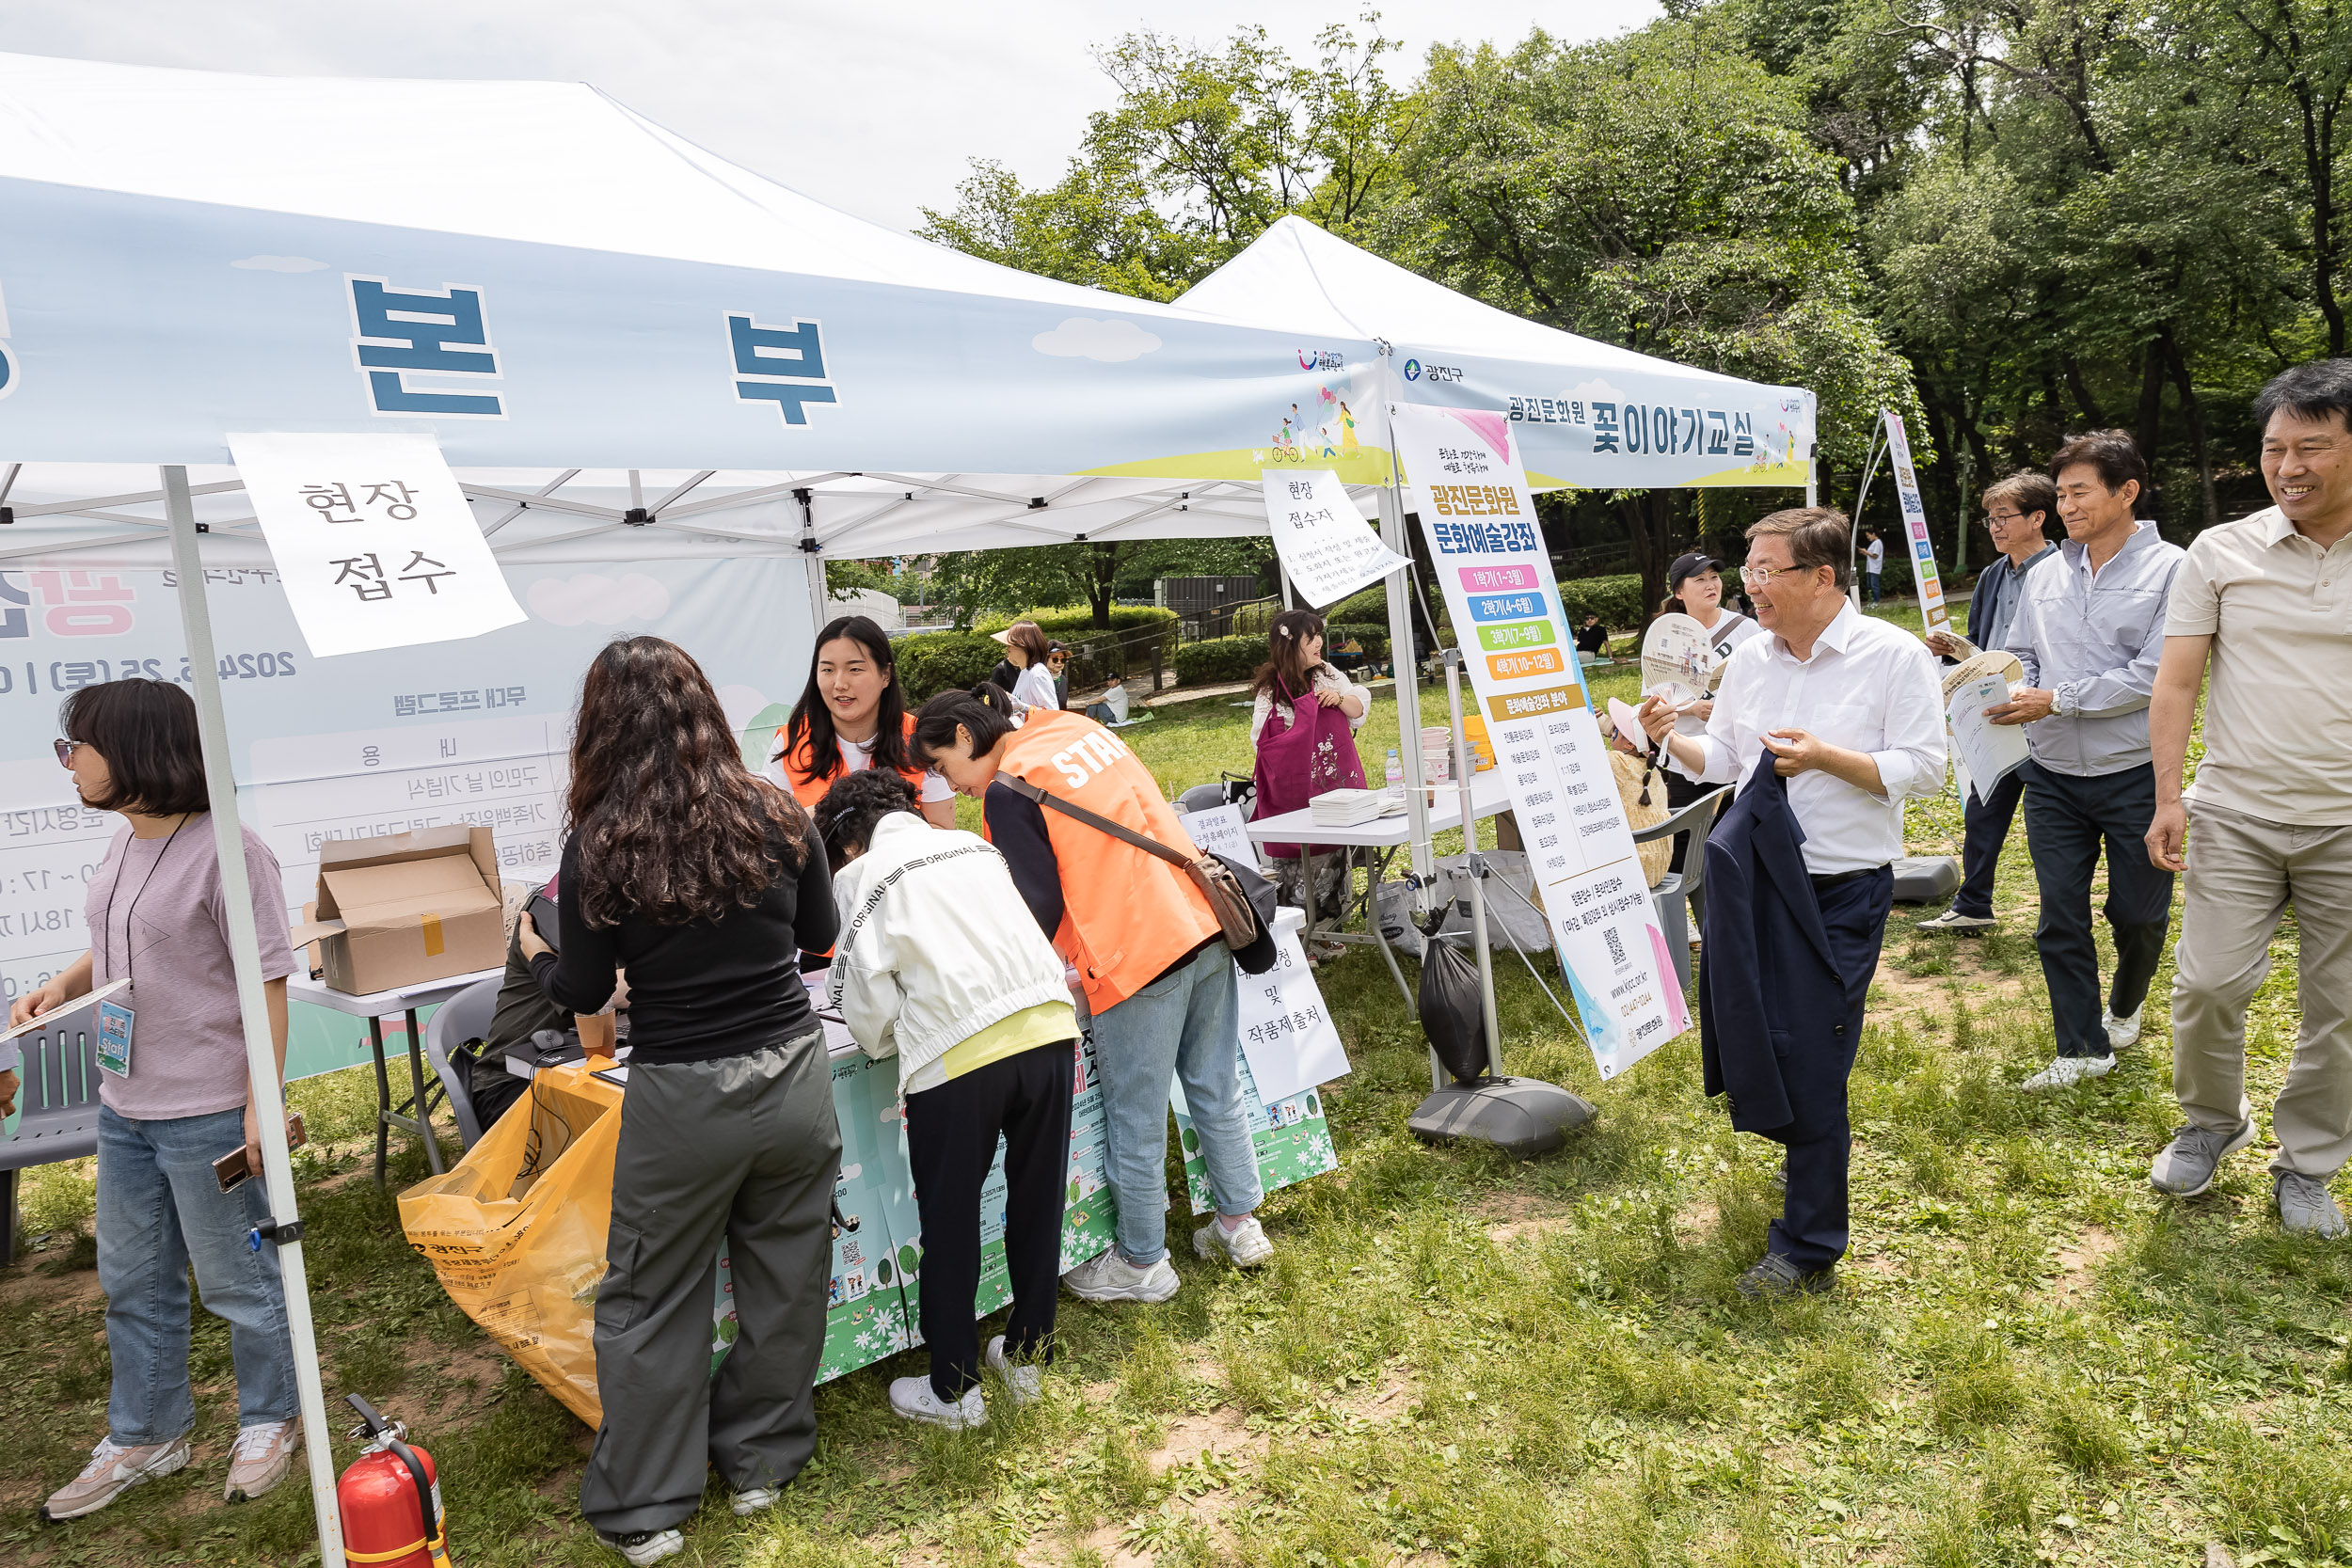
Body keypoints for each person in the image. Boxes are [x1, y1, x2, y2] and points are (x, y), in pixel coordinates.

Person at [516, 636, 838, 1566]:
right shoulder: (777, 811)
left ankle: (650, 1505)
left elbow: (581, 992)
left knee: (653, 1296)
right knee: (786, 1276)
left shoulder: (600, 843)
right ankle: (763, 1460)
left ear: (600, 728)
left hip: (684, 1094)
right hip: (790, 1073)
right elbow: (817, 937)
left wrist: (536, 949)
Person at [14, 680, 303, 1521]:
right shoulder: (126, 843)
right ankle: (147, 1432)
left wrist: (259, 1104)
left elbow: (270, 982)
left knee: (238, 1279)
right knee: (132, 1280)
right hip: (126, 1105)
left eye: (80, 747)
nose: (69, 764)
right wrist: (59, 983)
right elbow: (117, 943)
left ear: (138, 751)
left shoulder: (232, 851)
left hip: (207, 1107)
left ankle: (270, 1418)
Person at [1638, 508, 1944, 1297]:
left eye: (1767, 570)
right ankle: (1802, 1162)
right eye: (1749, 571)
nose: (1750, 585)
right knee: (1760, 1033)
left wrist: (1825, 758)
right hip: (1752, 884)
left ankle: (1808, 1244)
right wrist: (1673, 738)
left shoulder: (1893, 655)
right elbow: (1730, 762)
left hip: (1843, 889)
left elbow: (1924, 767)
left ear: (1822, 577)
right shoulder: (1749, 662)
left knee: (1813, 1054)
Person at [914, 684, 1270, 1305]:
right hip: (1203, 919)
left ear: (966, 739)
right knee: (1216, 1083)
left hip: (1135, 958)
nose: (954, 787)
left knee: (1135, 1115)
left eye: (944, 768)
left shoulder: (1008, 787)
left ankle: (1141, 1263)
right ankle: (1240, 1224)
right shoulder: (1072, 729)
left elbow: (1037, 904)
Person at [2146, 359, 2352, 1236]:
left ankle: (2307, 1163)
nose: (2289, 466)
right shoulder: (2220, 551)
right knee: (2207, 985)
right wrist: (2167, 797)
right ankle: (2208, 1121)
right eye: (2275, 448)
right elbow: (2176, 684)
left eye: (2313, 447)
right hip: (2235, 810)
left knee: (2340, 1008)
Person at [816, 768, 1078, 1429]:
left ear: (846, 842)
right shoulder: (973, 845)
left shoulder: (860, 875)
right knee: (1038, 1196)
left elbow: (865, 1009)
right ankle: (1027, 1353)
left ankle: (955, 1388)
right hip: (1049, 1027)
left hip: (958, 1056)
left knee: (951, 1218)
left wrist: (888, 1035)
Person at [1994, 432, 2183, 1091]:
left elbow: (2155, 675)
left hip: (2133, 771)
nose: (2066, 505)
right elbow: (2025, 651)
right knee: (2059, 913)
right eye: (2062, 492)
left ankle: (2126, 1003)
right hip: (2050, 775)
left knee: (2137, 913)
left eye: (2080, 491)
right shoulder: (2045, 571)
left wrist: (2059, 700)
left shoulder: (2173, 571)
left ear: (2126, 492)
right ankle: (2081, 1046)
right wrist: (2018, 690)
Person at [1916, 473, 2060, 934]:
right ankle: (1974, 903)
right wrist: (1954, 650)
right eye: (1990, 519)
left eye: (2005, 517)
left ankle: (2058, 915)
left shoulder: (2064, 570)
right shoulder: (1993, 575)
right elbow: (1979, 641)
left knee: (2050, 826)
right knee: (1982, 810)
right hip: (1993, 710)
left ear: (2038, 518)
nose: (1996, 527)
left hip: (2042, 712)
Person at [767, 614, 955, 829]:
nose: (839, 684)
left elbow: (942, 830)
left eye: (854, 669)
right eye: (827, 670)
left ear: (886, 675)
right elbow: (776, 836)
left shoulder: (921, 739)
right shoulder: (789, 743)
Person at [1247, 609, 1372, 922]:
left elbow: (1358, 710)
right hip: (1292, 793)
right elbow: (1260, 741)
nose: (1319, 643)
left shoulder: (1328, 674)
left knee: (1333, 852)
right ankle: (1302, 935)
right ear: (1290, 645)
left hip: (1331, 787)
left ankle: (1331, 930)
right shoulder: (1270, 690)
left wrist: (1339, 700)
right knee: (1297, 858)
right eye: (1311, 638)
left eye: (1319, 635)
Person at [1659, 551, 1767, 873]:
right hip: (1682, 761)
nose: (1711, 585)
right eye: (1700, 579)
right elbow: (1651, 702)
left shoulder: (1747, 630)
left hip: (1738, 760)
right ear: (1679, 591)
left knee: (1738, 857)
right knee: (1682, 861)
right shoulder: (1666, 636)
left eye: (1715, 577)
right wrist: (1692, 708)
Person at [988, 620, 1060, 712]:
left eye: (1011, 643)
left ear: (1025, 644)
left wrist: (1022, 707)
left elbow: (1052, 713)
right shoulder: (1025, 671)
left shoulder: (1037, 672)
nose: (1008, 647)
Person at [1045, 641, 1071, 710]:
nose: (1059, 662)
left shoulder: (1063, 679)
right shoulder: (1039, 678)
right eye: (1055, 659)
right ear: (1046, 659)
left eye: (1063, 659)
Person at [1863, 528, 1885, 604]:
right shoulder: (1874, 543)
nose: (1868, 537)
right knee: (1870, 586)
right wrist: (1865, 552)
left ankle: (1876, 602)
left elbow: (1875, 555)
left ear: (1873, 534)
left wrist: (1866, 552)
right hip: (1870, 568)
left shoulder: (1878, 542)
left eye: (1868, 535)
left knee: (1874, 585)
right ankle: (1872, 601)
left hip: (1875, 568)